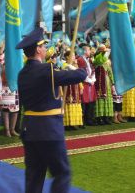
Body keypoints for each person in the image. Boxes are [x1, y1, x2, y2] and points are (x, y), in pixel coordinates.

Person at [17, 27, 87, 193]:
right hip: (48, 129)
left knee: (34, 176)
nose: (45, 48)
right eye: (43, 46)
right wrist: (72, 68)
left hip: (29, 128)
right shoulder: (45, 70)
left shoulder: (22, 73)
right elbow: (81, 75)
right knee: (62, 173)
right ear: (38, 49)